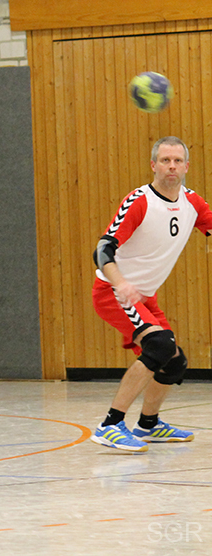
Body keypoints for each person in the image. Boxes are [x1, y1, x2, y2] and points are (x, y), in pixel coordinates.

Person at [89, 136, 209, 452]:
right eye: (165, 160)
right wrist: (121, 283)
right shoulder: (139, 201)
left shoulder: (192, 203)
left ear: (186, 166)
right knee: (159, 345)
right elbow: (103, 249)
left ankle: (148, 424)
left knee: (174, 362)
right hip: (114, 292)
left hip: (146, 297)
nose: (172, 166)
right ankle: (110, 425)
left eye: (177, 161)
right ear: (153, 165)